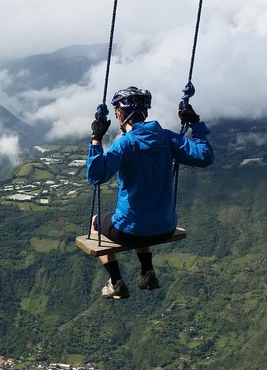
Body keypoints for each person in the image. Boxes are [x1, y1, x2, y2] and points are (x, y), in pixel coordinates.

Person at [86, 85, 214, 299]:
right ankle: (147, 272)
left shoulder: (125, 145)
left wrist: (96, 139)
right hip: (165, 226)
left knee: (96, 222)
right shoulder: (167, 138)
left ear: (120, 114)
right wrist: (195, 124)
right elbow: (205, 156)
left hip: (130, 230)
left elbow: (96, 176)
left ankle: (115, 282)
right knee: (142, 219)